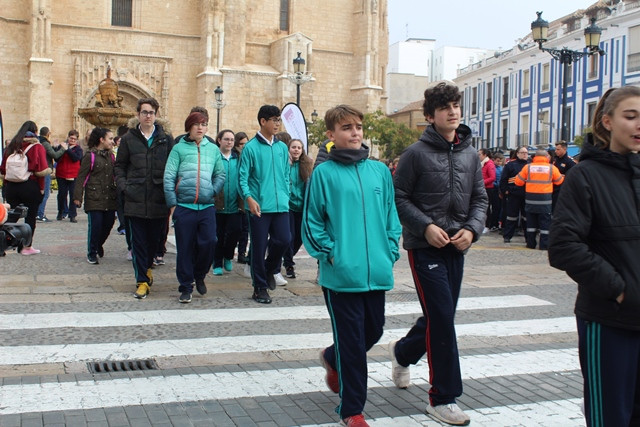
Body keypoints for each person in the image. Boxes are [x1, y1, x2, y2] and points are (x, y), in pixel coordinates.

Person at [389, 82, 487, 426]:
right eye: (445, 107)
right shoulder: (415, 154)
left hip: (457, 246)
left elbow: (480, 199)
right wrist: (426, 226)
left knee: (438, 318)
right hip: (424, 247)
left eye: (456, 105)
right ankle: (442, 398)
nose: (452, 111)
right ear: (430, 116)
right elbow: (399, 198)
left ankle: (403, 352)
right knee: (443, 318)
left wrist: (472, 229)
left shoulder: (470, 154)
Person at [303, 105, 401, 427]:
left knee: (373, 331)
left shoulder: (380, 172)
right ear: (331, 135)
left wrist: (389, 250)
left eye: (358, 126)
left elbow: (391, 217)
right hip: (341, 276)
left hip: (376, 274)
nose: (355, 132)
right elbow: (312, 222)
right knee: (353, 345)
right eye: (347, 128)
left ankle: (331, 357)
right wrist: (331, 254)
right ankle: (352, 410)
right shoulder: (324, 174)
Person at [548, 86, 640, 427]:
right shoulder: (585, 176)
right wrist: (620, 290)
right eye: (630, 117)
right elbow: (564, 246)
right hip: (610, 319)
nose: (638, 125)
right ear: (607, 122)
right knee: (611, 418)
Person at [115, 97, 174, 299]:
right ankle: (141, 281)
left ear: (156, 115)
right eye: (144, 112)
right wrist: (124, 186)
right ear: (138, 115)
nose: (148, 116)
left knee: (154, 242)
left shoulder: (165, 138)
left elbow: (173, 166)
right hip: (135, 198)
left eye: (151, 112)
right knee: (138, 243)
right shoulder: (129, 139)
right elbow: (120, 166)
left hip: (159, 199)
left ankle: (147, 268)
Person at [164, 112, 225, 303]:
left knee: (209, 242)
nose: (200, 128)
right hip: (184, 206)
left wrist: (211, 190)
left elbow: (220, 174)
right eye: (197, 124)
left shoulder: (213, 149)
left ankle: (199, 274)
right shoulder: (178, 149)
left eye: (204, 124)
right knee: (185, 248)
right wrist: (173, 204)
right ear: (189, 126)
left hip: (206, 206)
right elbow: (169, 177)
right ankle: (185, 286)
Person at [238, 105, 291, 304]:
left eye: (279, 120)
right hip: (259, 207)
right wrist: (249, 199)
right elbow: (242, 178)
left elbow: (286, 174)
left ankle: (269, 270)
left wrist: (286, 193)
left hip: (281, 205)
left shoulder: (282, 147)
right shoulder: (250, 148)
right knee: (258, 248)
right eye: (274, 119)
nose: (278, 123)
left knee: (284, 240)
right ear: (263, 121)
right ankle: (259, 287)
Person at [0, 121, 51, 255]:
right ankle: (25, 247)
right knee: (30, 218)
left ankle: (2, 244)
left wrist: (7, 185)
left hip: (11, 186)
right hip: (30, 185)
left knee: (9, 217)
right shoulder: (36, 146)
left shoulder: (12, 145)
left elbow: (3, 168)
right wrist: (41, 189)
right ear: (35, 131)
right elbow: (41, 170)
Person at [73, 128, 118, 264]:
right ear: (101, 140)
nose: (112, 141)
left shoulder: (111, 156)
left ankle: (99, 244)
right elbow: (81, 177)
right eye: (110, 139)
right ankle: (92, 252)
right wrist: (77, 197)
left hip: (109, 197)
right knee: (96, 226)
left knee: (109, 224)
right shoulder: (90, 156)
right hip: (94, 197)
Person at [514, 149, 564, 250]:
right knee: (545, 224)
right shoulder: (551, 168)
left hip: (530, 200)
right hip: (545, 201)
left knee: (531, 224)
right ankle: (544, 245)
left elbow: (518, 182)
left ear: (535, 157)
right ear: (546, 157)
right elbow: (559, 181)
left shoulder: (527, 167)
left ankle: (531, 244)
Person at [212, 129, 242, 276]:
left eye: (231, 139)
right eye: (226, 139)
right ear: (219, 140)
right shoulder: (214, 157)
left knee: (234, 232)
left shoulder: (238, 158)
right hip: (218, 202)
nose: (229, 142)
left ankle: (228, 256)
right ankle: (217, 261)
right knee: (218, 234)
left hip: (235, 203)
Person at [283, 138, 313, 279]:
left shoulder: (307, 165)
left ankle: (286, 256)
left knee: (300, 238)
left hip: (302, 206)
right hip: (287, 205)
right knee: (289, 235)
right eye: (293, 147)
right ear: (289, 149)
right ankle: (289, 265)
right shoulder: (284, 164)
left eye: (299, 148)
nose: (296, 150)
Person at [499, 146, 529, 243]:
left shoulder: (530, 165)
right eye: (523, 152)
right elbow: (503, 179)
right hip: (513, 194)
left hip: (527, 195)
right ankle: (507, 236)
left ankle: (528, 237)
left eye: (526, 153)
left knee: (526, 217)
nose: (525, 154)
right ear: (517, 153)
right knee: (511, 216)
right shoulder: (510, 165)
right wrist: (505, 191)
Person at [36, 127, 65, 222]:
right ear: (48, 134)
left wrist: (55, 147)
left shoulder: (39, 142)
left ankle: (38, 213)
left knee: (40, 192)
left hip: (39, 170)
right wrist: (63, 149)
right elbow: (55, 155)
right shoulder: (45, 143)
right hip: (46, 170)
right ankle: (40, 214)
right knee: (45, 193)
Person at [55, 130, 83, 222]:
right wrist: (59, 148)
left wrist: (68, 150)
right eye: (71, 138)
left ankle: (72, 214)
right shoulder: (62, 147)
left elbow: (75, 158)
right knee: (62, 194)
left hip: (73, 174)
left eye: (75, 139)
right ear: (68, 138)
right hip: (61, 174)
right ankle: (61, 212)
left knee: (73, 195)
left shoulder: (78, 149)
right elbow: (57, 158)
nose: (73, 140)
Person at [233, 131, 250, 265]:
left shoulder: (248, 156)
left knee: (245, 229)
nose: (243, 146)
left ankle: (242, 253)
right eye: (241, 144)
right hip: (234, 197)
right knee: (236, 229)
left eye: (246, 144)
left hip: (245, 199)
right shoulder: (234, 157)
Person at [551, 141, 576, 212]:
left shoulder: (569, 162)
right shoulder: (555, 160)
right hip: (553, 190)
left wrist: (563, 176)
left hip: (562, 191)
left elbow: (572, 176)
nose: (556, 151)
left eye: (558, 149)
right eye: (556, 149)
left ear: (564, 149)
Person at [478, 148, 496, 234]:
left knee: (487, 207)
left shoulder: (489, 164)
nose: (478, 156)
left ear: (485, 155)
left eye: (480, 154)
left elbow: (492, 177)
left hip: (488, 188)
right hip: (483, 187)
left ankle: (487, 225)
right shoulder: (482, 164)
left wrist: (481, 183)